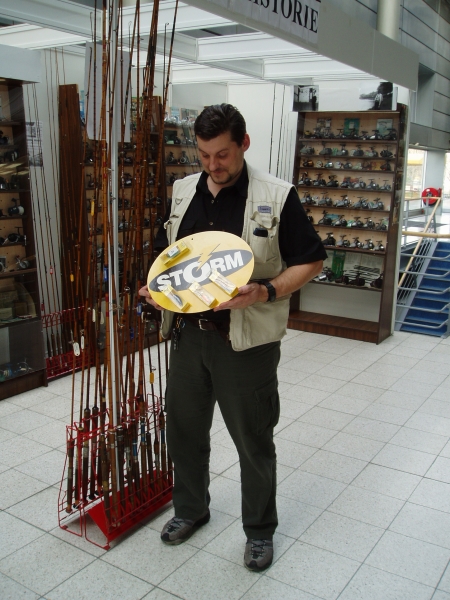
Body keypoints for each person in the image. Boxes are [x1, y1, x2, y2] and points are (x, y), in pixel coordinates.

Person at [139, 103, 326, 571]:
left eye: (222, 154)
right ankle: (191, 509)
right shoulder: (183, 191)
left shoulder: (277, 195)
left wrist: (266, 290)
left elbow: (310, 260)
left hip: (246, 343)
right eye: (203, 155)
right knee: (183, 431)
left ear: (243, 143)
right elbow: (168, 257)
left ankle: (259, 531)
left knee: (252, 439)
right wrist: (156, 291)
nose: (212, 165)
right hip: (188, 337)